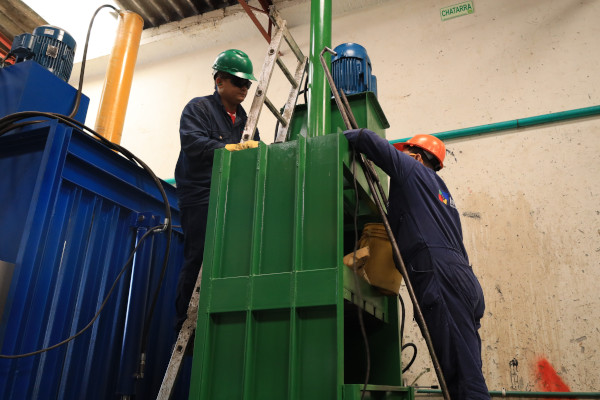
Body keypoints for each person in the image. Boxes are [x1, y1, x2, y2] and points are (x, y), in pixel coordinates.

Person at [344, 128, 490, 400]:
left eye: (406, 154)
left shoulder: (413, 170)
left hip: (438, 272)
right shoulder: (443, 195)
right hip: (463, 278)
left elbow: (368, 139)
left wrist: (339, 137)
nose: (401, 159)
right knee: (464, 367)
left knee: (462, 374)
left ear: (418, 157)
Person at [174, 49, 260, 332]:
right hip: (200, 193)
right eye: (238, 82)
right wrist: (230, 149)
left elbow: (255, 154)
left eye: (247, 83)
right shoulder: (198, 109)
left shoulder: (247, 120)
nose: (244, 88)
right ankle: (186, 324)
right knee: (198, 254)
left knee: (234, 257)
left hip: (231, 195)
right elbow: (194, 145)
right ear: (219, 80)